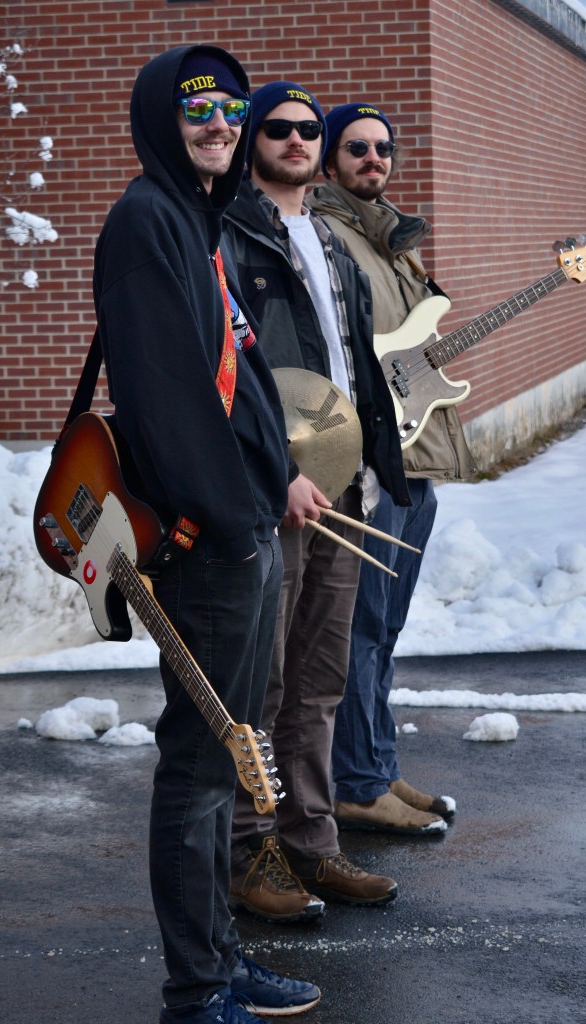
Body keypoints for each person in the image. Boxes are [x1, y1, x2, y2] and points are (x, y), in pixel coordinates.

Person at [93, 47, 321, 1024]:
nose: (220, 123)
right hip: (210, 541)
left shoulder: (198, 217)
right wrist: (229, 521)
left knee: (228, 755)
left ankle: (222, 960)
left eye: (231, 107)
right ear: (161, 118)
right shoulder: (146, 220)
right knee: (200, 760)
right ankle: (196, 990)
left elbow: (239, 376)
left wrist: (273, 482)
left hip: (244, 524)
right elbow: (167, 399)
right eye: (197, 109)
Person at [223, 81, 411, 924]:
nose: (296, 140)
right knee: (260, 686)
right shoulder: (228, 233)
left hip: (342, 482)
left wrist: (371, 463)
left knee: (319, 679)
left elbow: (352, 366)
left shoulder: (330, 239)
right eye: (277, 128)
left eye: (307, 129)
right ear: (251, 141)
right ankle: (250, 850)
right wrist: (273, 473)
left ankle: (310, 841)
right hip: (275, 491)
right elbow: (227, 375)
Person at [308, 102, 477, 837]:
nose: (373, 157)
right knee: (361, 628)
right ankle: (355, 783)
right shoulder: (325, 234)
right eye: (356, 147)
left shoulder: (391, 239)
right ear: (330, 160)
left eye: (382, 147)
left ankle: (375, 766)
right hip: (372, 464)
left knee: (386, 627)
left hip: (415, 458)